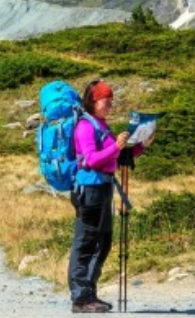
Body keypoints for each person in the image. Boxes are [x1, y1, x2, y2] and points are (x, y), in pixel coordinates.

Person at [68, 80, 133, 314]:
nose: (110, 105)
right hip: (90, 190)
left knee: (102, 243)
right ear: (93, 101)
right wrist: (116, 146)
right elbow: (93, 159)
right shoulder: (86, 126)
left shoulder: (101, 124)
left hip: (103, 189)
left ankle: (89, 294)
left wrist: (139, 145)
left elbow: (112, 156)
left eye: (111, 101)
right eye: (106, 101)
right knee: (86, 243)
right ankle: (80, 298)